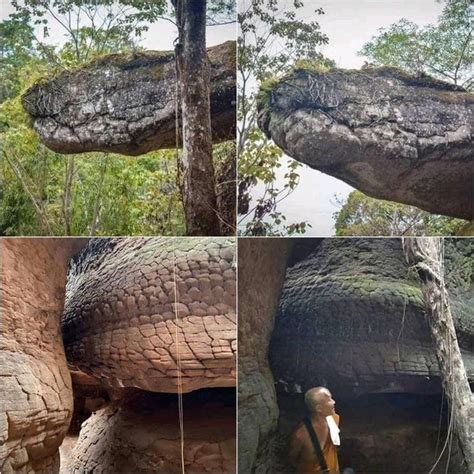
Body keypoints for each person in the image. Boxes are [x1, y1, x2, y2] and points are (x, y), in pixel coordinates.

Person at [289, 387, 341, 473]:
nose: (334, 402)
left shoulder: (334, 419)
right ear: (318, 408)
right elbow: (292, 458)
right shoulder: (301, 435)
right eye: (329, 400)